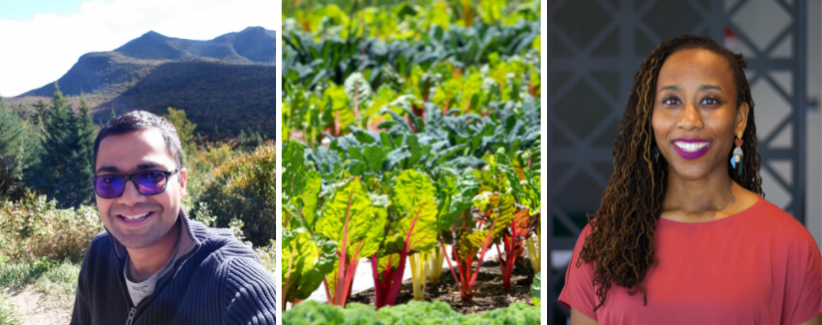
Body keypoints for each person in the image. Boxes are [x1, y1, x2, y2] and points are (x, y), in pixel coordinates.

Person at [558, 34, 822, 325]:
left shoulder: (790, 246)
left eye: (709, 100)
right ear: (650, 116)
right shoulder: (603, 240)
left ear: (740, 118)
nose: (690, 120)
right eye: (671, 101)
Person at [70, 111, 276, 325]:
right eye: (109, 181)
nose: (130, 199)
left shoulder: (231, 282)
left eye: (151, 176)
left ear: (182, 183)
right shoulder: (99, 254)